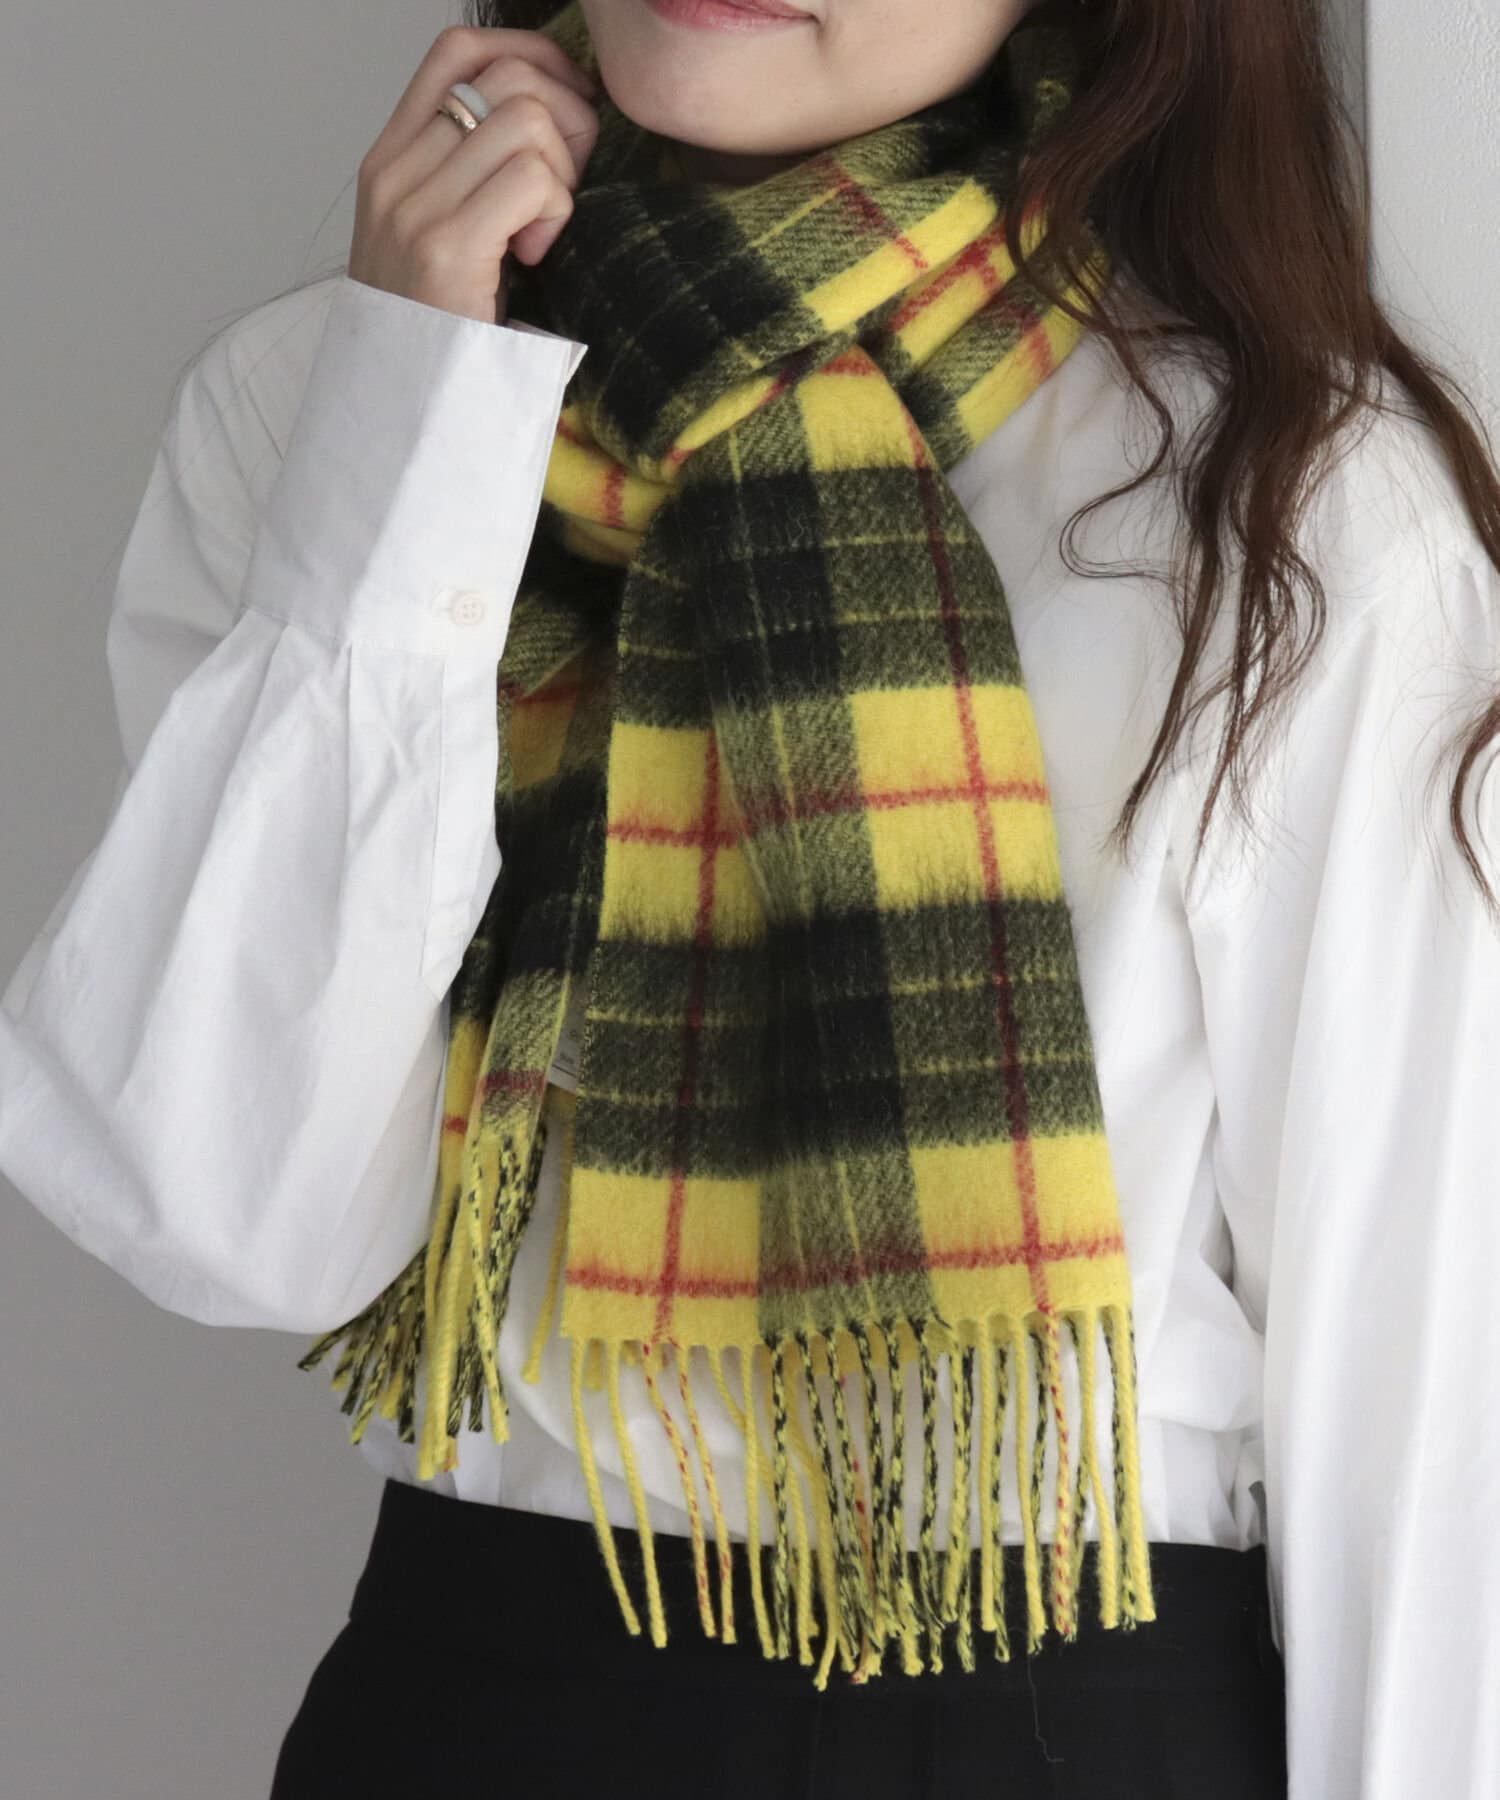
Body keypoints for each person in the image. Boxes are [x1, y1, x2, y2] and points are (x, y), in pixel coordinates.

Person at [4, 0, 1499, 1793]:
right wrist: (412, 423)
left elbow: (1425, 1414)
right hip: (479, 1702)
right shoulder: (322, 402)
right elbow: (232, 1216)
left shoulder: (1282, 499)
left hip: (1049, 1726)